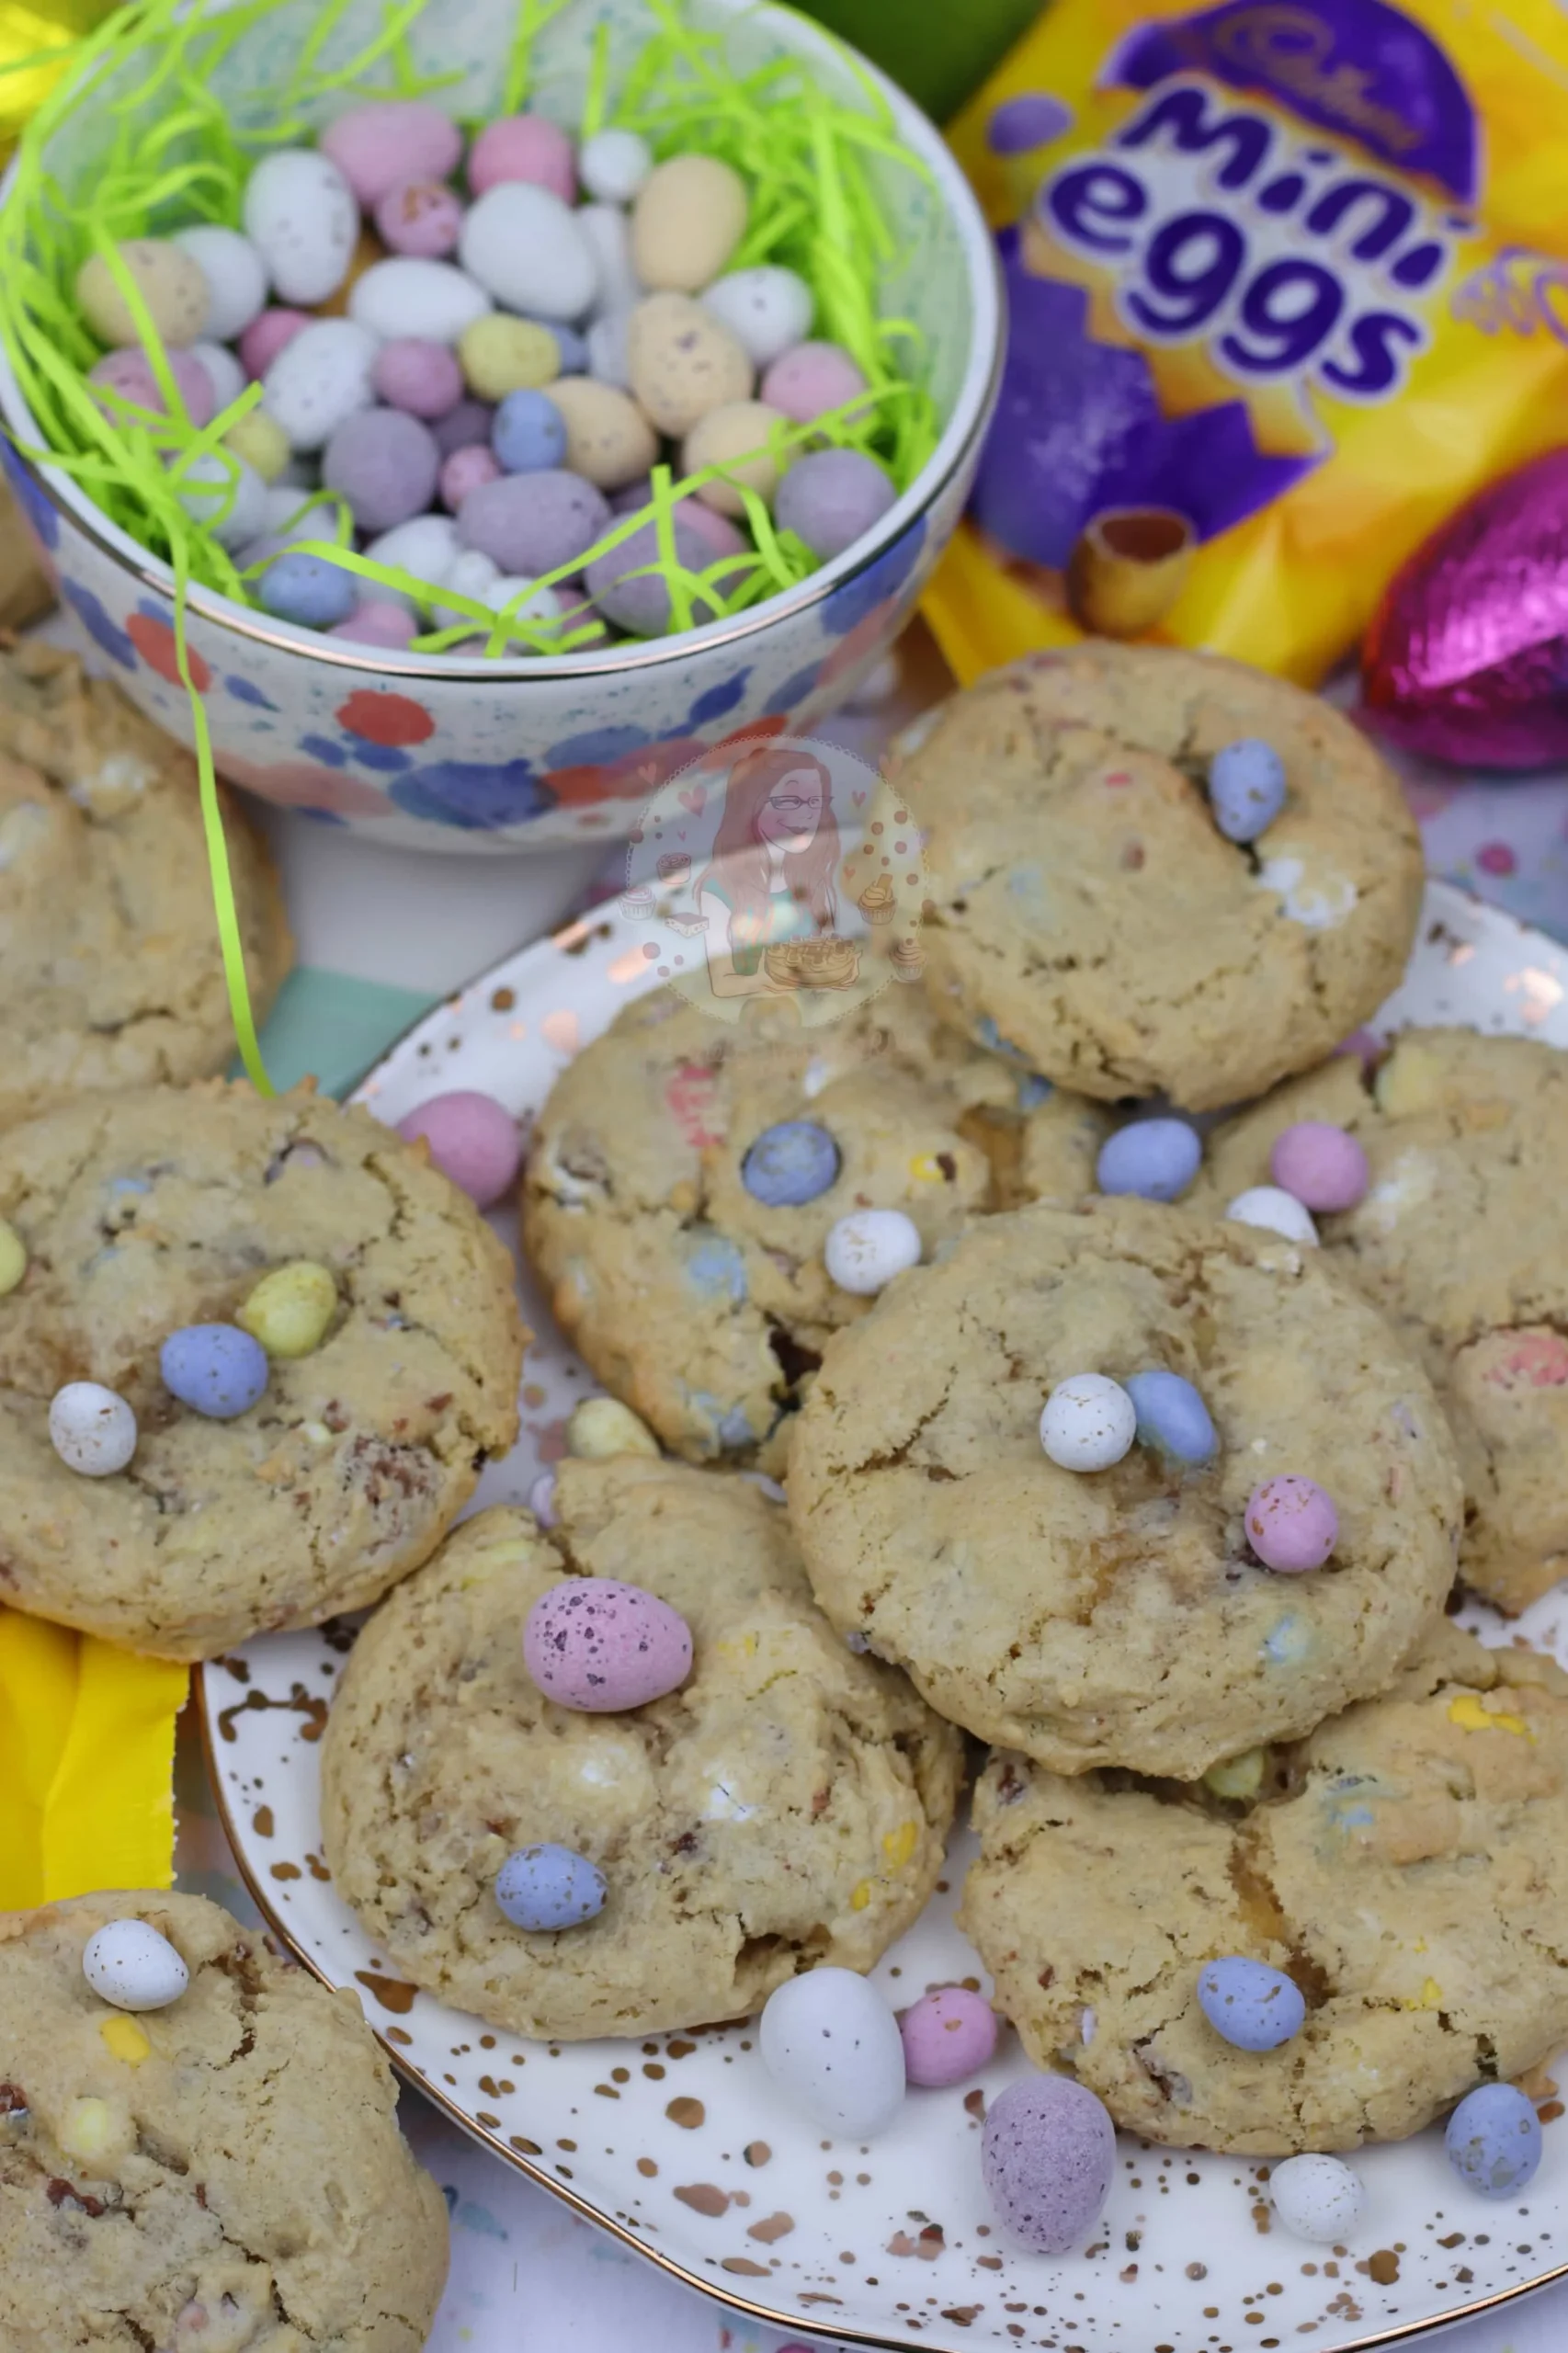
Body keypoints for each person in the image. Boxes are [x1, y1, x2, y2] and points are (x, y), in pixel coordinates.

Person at [694, 745, 849, 998]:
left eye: (814, 801)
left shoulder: (818, 871)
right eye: (789, 801)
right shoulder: (717, 887)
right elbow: (721, 982)